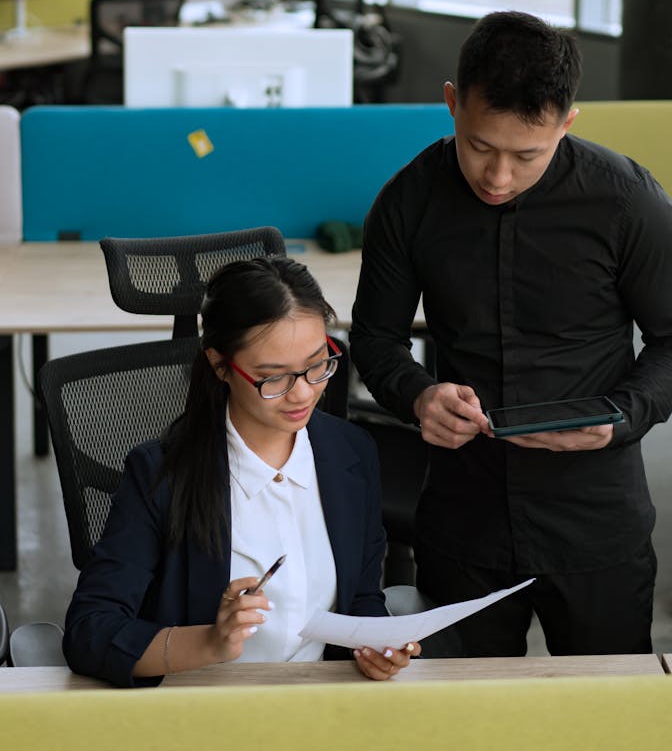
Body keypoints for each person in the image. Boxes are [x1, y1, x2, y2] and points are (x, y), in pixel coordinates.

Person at [350, 10, 672, 657]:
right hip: (465, 510)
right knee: (469, 714)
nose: (498, 175)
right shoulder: (409, 200)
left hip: (594, 513)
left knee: (605, 714)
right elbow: (376, 337)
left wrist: (623, 415)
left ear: (567, 122)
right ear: (453, 104)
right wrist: (419, 395)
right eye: (481, 146)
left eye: (527, 154)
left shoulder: (629, 202)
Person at [64, 257, 420, 687]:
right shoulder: (161, 474)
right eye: (274, 379)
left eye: (317, 363)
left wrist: (375, 646)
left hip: (320, 706)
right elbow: (90, 631)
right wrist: (210, 642)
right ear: (219, 366)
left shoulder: (350, 452)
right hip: (202, 712)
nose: (304, 392)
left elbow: (361, 598)